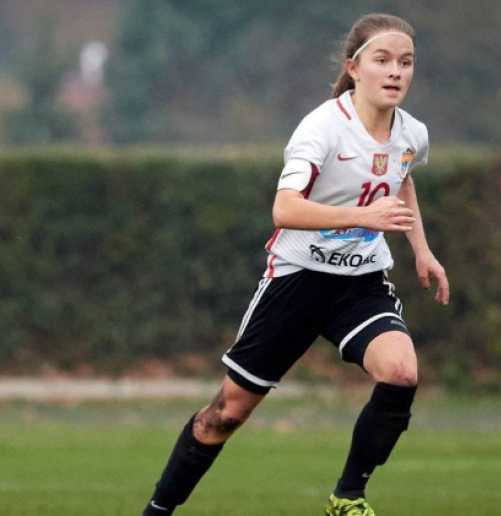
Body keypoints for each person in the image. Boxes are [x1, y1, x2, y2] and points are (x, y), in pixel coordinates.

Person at [142, 13, 449, 516]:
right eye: (383, 60)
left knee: (400, 373)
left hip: (361, 282)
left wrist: (422, 249)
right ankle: (157, 512)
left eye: (406, 62)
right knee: (225, 414)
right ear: (354, 68)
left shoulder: (412, 133)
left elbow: (403, 177)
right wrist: (362, 215)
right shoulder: (322, 127)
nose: (396, 71)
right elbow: (285, 209)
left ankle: (347, 497)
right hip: (297, 281)